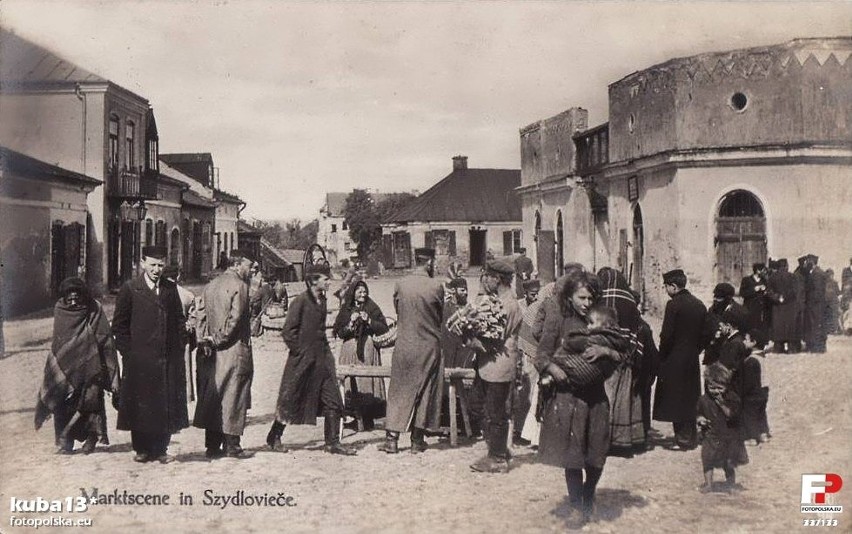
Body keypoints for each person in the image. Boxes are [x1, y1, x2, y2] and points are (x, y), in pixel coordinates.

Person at [536, 270, 628, 526]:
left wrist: (606, 349)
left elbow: (625, 354)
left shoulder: (602, 319)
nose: (587, 303)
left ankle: (589, 494)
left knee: (597, 453)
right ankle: (577, 506)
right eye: (582, 298)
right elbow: (541, 355)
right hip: (569, 398)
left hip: (596, 396)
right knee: (573, 456)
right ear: (570, 297)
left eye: (591, 298)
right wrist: (554, 369)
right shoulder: (558, 319)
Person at [267, 263, 357, 456]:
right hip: (302, 361)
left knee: (332, 397)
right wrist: (300, 352)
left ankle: (332, 442)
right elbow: (288, 331)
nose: (328, 282)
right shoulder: (300, 301)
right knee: (291, 398)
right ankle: (274, 436)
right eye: (325, 279)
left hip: (322, 359)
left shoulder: (322, 300)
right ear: (313, 281)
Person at [112, 245, 189, 464]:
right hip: (139, 360)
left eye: (161, 265)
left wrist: (180, 345)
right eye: (153, 265)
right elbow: (119, 326)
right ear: (143, 263)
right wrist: (129, 353)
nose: (157, 270)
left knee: (163, 404)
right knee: (141, 404)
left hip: (166, 358)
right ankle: (142, 448)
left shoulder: (169, 288)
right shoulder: (130, 289)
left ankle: (161, 449)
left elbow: (179, 320)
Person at [35, 277, 120, 455]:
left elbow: (104, 336)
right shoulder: (60, 309)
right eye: (69, 297)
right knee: (64, 402)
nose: (73, 300)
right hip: (65, 366)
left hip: (92, 366)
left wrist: (107, 363)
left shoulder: (94, 308)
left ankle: (91, 438)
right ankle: (65, 441)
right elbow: (60, 341)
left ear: (83, 295)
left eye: (77, 296)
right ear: (64, 297)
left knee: (90, 402)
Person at [379, 247, 445, 454]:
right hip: (428, 345)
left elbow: (398, 311)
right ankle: (417, 439)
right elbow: (439, 316)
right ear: (429, 263)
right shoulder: (436, 286)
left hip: (405, 344)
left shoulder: (401, 284)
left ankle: (392, 439)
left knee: (399, 389)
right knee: (426, 389)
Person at [193, 250, 255, 459]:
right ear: (237, 264)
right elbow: (235, 319)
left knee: (215, 395)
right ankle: (232, 446)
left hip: (212, 353)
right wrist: (220, 339)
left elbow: (200, 315)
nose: (250, 270)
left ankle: (212, 445)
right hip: (234, 349)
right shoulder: (240, 286)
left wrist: (205, 340)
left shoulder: (210, 286)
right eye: (248, 265)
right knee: (234, 396)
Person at [469, 258, 523, 474]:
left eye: (488, 277)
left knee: (496, 412)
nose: (485, 280)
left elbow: (494, 338)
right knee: (480, 408)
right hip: (488, 365)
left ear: (497, 279)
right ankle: (498, 449)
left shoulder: (508, 304)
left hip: (499, 365)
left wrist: (471, 340)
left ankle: (498, 458)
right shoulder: (495, 299)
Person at [653, 268, 707, 451]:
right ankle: (690, 437)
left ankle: (682, 439)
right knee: (690, 396)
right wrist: (695, 350)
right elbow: (704, 335)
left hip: (674, 358)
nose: (666, 290)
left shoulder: (673, 305)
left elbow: (666, 335)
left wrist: (662, 356)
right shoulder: (699, 304)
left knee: (676, 397)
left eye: (666, 286)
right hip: (692, 358)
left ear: (674, 287)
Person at [598, 267, 644, 452]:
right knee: (623, 398)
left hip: (602, 358)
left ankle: (602, 439)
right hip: (624, 359)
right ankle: (621, 440)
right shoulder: (630, 302)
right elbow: (637, 331)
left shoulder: (598, 301)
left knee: (604, 397)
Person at [332, 280, 390, 430]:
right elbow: (339, 332)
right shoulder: (346, 309)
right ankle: (355, 418)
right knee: (352, 384)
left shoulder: (372, 306)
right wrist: (350, 324)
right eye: (359, 292)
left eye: (365, 292)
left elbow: (383, 328)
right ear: (353, 293)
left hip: (368, 350)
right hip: (350, 350)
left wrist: (369, 320)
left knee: (367, 382)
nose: (363, 295)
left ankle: (367, 417)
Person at [696, 363, 748, 492]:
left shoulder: (732, 398)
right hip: (710, 435)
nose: (715, 391)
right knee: (707, 460)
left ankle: (730, 483)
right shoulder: (704, 399)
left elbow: (733, 415)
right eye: (712, 387)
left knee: (728, 462)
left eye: (720, 388)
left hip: (728, 436)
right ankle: (708, 483)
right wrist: (700, 419)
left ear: (726, 386)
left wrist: (722, 405)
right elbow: (698, 413)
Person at [162, 264, 197, 402]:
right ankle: (185, 398)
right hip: (182, 338)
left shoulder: (157, 293)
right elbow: (193, 320)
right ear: (178, 276)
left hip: (162, 338)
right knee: (183, 370)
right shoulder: (187, 295)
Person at [514, 278, 540, 447]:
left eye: (537, 293)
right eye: (532, 294)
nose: (536, 297)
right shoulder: (519, 307)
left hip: (535, 352)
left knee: (534, 392)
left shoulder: (539, 307)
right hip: (521, 351)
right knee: (524, 392)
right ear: (525, 294)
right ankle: (519, 430)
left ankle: (529, 432)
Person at [740, 330, 771, 445]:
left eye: (747, 340)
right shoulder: (762, 356)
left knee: (749, 414)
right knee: (761, 413)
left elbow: (749, 382)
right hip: (764, 390)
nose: (744, 341)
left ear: (753, 342)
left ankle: (752, 437)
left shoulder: (751, 361)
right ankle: (763, 433)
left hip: (754, 392)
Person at [766, 259, 800, 353]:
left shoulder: (772, 277)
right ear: (786, 266)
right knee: (790, 327)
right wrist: (785, 297)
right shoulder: (792, 276)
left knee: (778, 327)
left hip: (777, 307)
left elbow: (769, 291)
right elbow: (795, 291)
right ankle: (791, 349)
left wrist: (778, 298)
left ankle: (778, 348)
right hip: (789, 306)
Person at [802, 254, 828, 353]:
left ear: (811, 262)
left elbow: (817, 291)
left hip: (815, 305)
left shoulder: (816, 274)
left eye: (807, 261)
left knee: (816, 325)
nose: (806, 263)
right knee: (817, 325)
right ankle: (818, 347)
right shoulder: (816, 272)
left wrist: (810, 302)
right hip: (817, 305)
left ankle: (817, 348)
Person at [740, 263, 769, 339]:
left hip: (760, 308)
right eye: (763, 270)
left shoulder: (764, 280)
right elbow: (742, 293)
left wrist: (765, 291)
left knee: (760, 326)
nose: (764, 272)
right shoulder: (746, 280)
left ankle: (759, 343)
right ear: (757, 271)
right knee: (749, 326)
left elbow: (768, 293)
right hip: (749, 307)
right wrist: (754, 290)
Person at [825, 269, 841, 335]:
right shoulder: (834, 283)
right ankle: (834, 329)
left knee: (828, 316)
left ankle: (829, 330)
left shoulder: (824, 283)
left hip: (827, 303)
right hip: (833, 303)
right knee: (834, 316)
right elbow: (838, 292)